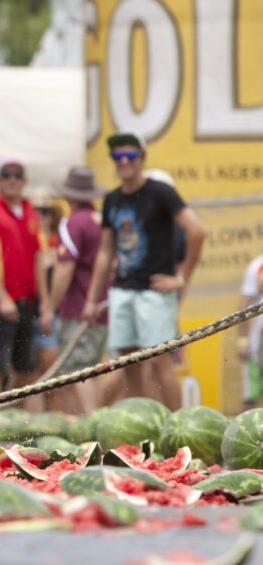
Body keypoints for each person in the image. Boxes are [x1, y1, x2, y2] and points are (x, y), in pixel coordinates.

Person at [83, 132, 205, 410]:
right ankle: (145, 422)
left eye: (129, 155)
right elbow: (105, 251)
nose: (123, 161)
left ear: (142, 158)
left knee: (160, 360)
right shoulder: (112, 199)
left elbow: (197, 231)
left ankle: (178, 427)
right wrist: (92, 298)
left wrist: (181, 278)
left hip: (154, 291)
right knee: (129, 363)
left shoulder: (160, 191)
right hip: (122, 290)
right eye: (117, 156)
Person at [0, 159, 48, 398]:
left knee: (26, 369)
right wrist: (3, 297)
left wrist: (45, 301)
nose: (12, 180)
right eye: (6, 175)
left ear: (24, 181)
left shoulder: (31, 214)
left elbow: (39, 259)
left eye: (17, 175)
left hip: (26, 303)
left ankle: (15, 424)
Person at [46, 166, 108, 414]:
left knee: (78, 370)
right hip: (102, 308)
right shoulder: (101, 220)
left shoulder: (72, 223)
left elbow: (64, 268)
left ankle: (90, 427)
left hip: (78, 307)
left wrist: (50, 307)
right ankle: (86, 426)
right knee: (89, 368)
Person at [28, 186, 63, 411]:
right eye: (36, 211)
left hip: (51, 313)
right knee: (28, 374)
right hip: (26, 311)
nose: (40, 216)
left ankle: (52, 418)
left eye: (44, 212)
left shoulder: (57, 243)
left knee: (51, 373)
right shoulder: (27, 240)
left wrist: (47, 307)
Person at [238, 253, 263, 409]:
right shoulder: (257, 265)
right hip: (259, 340)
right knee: (251, 395)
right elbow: (243, 307)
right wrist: (243, 341)